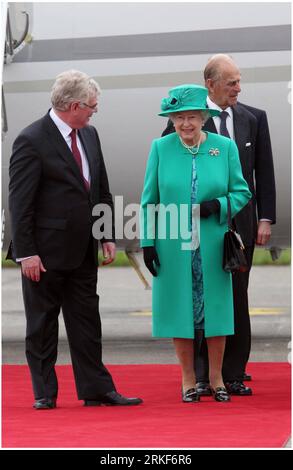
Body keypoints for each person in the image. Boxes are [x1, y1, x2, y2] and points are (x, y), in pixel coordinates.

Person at [8, 70, 142, 409]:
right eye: (92, 106)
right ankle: (44, 393)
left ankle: (96, 388)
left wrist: (107, 233)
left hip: (84, 248)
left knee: (87, 321)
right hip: (45, 253)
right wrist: (26, 253)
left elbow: (100, 188)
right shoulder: (31, 139)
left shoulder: (89, 134)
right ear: (73, 105)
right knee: (42, 324)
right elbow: (19, 202)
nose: (95, 111)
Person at [162, 54, 276, 396]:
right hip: (199, 229)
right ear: (210, 84)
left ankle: (234, 373)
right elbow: (170, 167)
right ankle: (201, 375)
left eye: (239, 81)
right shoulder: (187, 120)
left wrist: (265, 218)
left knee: (236, 299)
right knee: (199, 297)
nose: (238, 88)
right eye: (232, 82)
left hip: (239, 227)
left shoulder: (254, 118)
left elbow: (263, 173)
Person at [140, 84, 251, 402]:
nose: (185, 124)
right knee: (179, 309)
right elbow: (149, 200)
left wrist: (218, 206)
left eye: (191, 117)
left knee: (215, 310)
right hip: (173, 243)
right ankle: (188, 379)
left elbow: (242, 192)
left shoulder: (223, 147)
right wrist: (148, 242)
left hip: (213, 243)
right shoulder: (160, 148)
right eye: (179, 118)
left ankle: (216, 378)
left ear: (204, 118)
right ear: (171, 120)